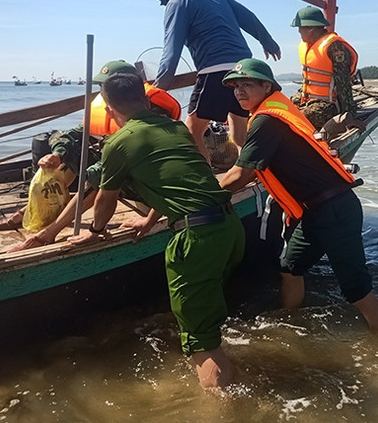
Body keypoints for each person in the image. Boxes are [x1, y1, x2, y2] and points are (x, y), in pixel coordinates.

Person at [68, 72, 245, 389]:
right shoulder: (176, 127)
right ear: (146, 98)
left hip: (197, 238)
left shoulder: (119, 143)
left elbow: (105, 201)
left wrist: (94, 231)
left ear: (109, 108)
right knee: (205, 318)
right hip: (230, 226)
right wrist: (149, 221)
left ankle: (221, 403)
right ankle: (220, 365)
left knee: (201, 342)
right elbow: (177, 180)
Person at [218, 58, 378, 336]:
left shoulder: (266, 120)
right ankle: (290, 319)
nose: (239, 91)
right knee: (290, 268)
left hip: (334, 209)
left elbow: (242, 174)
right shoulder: (272, 110)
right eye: (235, 87)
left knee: (358, 291)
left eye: (247, 84)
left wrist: (204, 196)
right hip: (314, 211)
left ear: (266, 86)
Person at [0, 60, 182, 252]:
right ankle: (32, 212)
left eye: (105, 86)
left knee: (99, 176)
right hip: (118, 167)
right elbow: (72, 135)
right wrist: (58, 155)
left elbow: (123, 162)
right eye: (101, 86)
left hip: (146, 187)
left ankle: (48, 233)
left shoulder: (154, 115)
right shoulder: (108, 108)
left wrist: (96, 229)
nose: (102, 91)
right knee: (72, 152)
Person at [134, 0, 281, 158]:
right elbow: (246, 16)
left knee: (192, 134)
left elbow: (170, 54)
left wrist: (155, 93)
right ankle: (259, 175)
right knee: (240, 135)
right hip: (243, 69)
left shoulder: (177, 2)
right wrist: (268, 41)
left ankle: (209, 186)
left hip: (215, 72)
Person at [290, 6, 359, 130]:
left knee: (294, 119)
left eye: (300, 28)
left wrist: (349, 116)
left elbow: (343, 84)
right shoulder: (306, 45)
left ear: (310, 28)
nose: (299, 31)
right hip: (307, 99)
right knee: (281, 109)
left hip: (328, 105)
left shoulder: (334, 47)